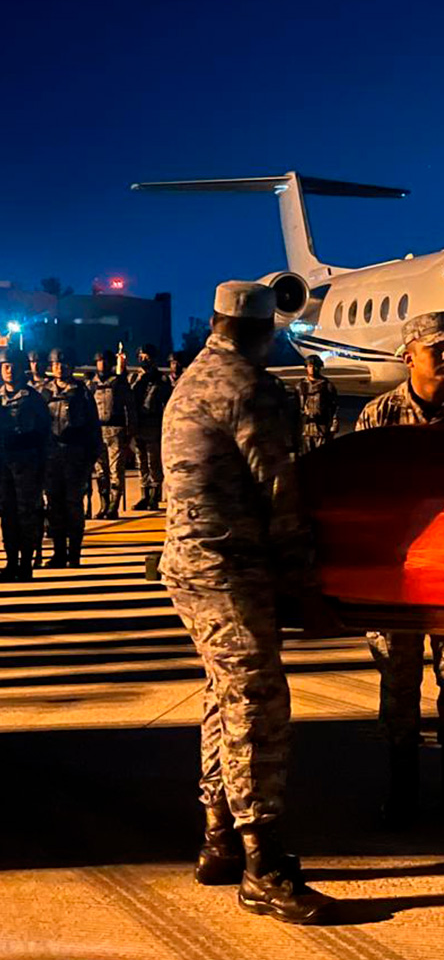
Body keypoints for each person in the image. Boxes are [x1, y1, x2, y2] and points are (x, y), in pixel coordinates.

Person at [161, 280, 335, 925]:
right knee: (258, 703)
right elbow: (280, 492)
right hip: (230, 568)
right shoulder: (250, 387)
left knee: (222, 694)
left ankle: (218, 839)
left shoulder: (193, 378)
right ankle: (265, 865)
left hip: (188, 565)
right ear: (266, 331)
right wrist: (306, 584)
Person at [356, 310, 444, 830]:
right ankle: (403, 792)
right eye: (435, 347)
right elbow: (361, 494)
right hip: (398, 576)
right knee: (398, 683)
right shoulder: (378, 415)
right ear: (407, 355)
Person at [41, 349, 101, 568]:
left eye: (63, 364)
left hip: (75, 457)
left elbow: (93, 426)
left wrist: (92, 457)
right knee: (54, 505)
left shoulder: (82, 393)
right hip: (51, 457)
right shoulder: (43, 393)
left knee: (73, 505)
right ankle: (58, 552)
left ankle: (74, 552)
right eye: (56, 364)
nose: (60, 367)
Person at [0, 348, 49, 580]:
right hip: (3, 465)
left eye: (13, 365)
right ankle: (11, 562)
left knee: (26, 514)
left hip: (27, 463)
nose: (9, 370)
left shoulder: (33, 399)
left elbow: (44, 434)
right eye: (5, 365)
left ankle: (26, 562)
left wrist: (42, 467)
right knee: (8, 515)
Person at [88, 349, 136, 519]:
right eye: (99, 361)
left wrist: (130, 430)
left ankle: (113, 507)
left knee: (116, 470)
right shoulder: (91, 384)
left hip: (116, 430)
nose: (102, 364)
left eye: (105, 361)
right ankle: (104, 504)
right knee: (101, 471)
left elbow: (130, 407)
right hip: (97, 431)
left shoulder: (119, 382)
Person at [131, 343, 171, 510]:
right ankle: (144, 494)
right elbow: (129, 396)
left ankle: (154, 495)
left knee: (153, 461)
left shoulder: (160, 379)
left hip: (154, 424)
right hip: (138, 424)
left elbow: (166, 401)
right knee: (141, 462)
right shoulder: (135, 378)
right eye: (141, 356)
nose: (143, 359)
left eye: (146, 356)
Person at [297, 354, 339, 454]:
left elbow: (334, 407)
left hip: (322, 429)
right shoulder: (300, 386)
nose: (313, 369)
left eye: (315, 366)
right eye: (310, 366)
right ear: (306, 367)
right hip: (305, 430)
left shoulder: (327, 386)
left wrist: (334, 426)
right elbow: (295, 408)